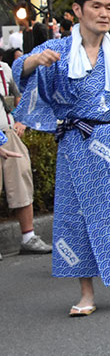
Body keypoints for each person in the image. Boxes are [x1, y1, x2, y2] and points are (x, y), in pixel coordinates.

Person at [13, 0, 110, 316]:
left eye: (109, 7)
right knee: (76, 216)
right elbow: (22, 77)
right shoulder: (56, 49)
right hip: (76, 143)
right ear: (77, 11)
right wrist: (34, 62)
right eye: (96, 6)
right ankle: (85, 293)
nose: (104, 13)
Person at [0, 58, 53, 258]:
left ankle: (28, 237)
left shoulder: (5, 69)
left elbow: (19, 95)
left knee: (22, 178)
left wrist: (21, 120)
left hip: (8, 133)